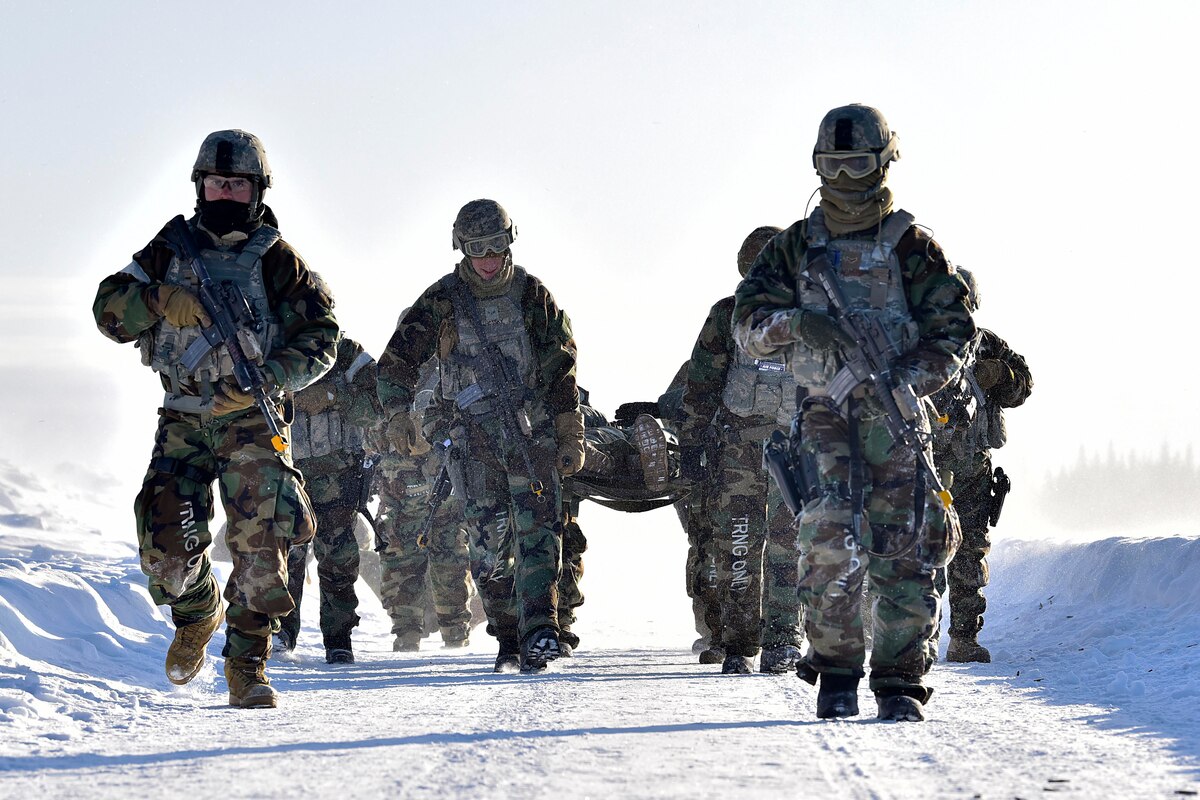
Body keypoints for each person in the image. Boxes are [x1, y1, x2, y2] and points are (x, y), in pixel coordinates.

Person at [732, 104, 974, 722]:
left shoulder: (912, 248)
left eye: (858, 164)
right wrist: (797, 323)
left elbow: (953, 331)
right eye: (831, 165)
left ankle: (898, 680)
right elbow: (747, 326)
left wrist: (906, 380)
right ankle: (836, 673)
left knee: (907, 546)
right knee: (828, 539)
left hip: (892, 415)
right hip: (823, 416)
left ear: (884, 162)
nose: (844, 179)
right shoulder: (792, 248)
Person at [92, 129, 338, 708]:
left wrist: (271, 379)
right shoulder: (169, 248)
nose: (225, 191)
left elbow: (321, 338)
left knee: (262, 546)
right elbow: (107, 308)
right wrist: (156, 301)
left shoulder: (279, 261)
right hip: (182, 416)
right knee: (163, 536)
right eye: (216, 182)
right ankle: (198, 612)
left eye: (237, 183)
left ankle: (247, 668)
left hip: (251, 418)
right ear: (200, 186)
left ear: (256, 190)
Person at [377, 199, 583, 673]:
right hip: (471, 440)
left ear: (510, 242)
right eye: (477, 249)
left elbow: (562, 369)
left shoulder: (534, 297)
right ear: (461, 248)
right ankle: (508, 634)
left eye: (496, 246)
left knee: (540, 533)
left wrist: (570, 433)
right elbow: (397, 363)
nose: (488, 259)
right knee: (488, 544)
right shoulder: (442, 300)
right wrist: (398, 415)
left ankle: (540, 632)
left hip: (532, 437)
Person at [678, 226, 803, 675]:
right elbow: (702, 383)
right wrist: (691, 446)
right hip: (737, 455)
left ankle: (783, 639)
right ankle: (738, 642)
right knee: (738, 543)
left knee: (789, 545)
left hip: (794, 451)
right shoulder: (727, 316)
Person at [929, 268, 1033, 663]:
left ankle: (964, 639)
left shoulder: (985, 344)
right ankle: (917, 636)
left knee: (970, 552)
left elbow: (1024, 384)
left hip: (973, 467)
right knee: (919, 551)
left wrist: (1001, 376)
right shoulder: (918, 343)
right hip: (927, 465)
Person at [277, 332, 380, 664]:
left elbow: (377, 405)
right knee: (283, 557)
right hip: (284, 473)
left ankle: (338, 638)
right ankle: (280, 631)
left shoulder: (345, 352)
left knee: (338, 559)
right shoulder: (268, 346)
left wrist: (335, 396)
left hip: (337, 477)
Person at [373, 354, 476, 653]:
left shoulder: (447, 373)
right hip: (401, 489)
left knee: (448, 559)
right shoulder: (389, 382)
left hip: (438, 484)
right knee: (408, 559)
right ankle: (414, 636)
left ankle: (452, 637)